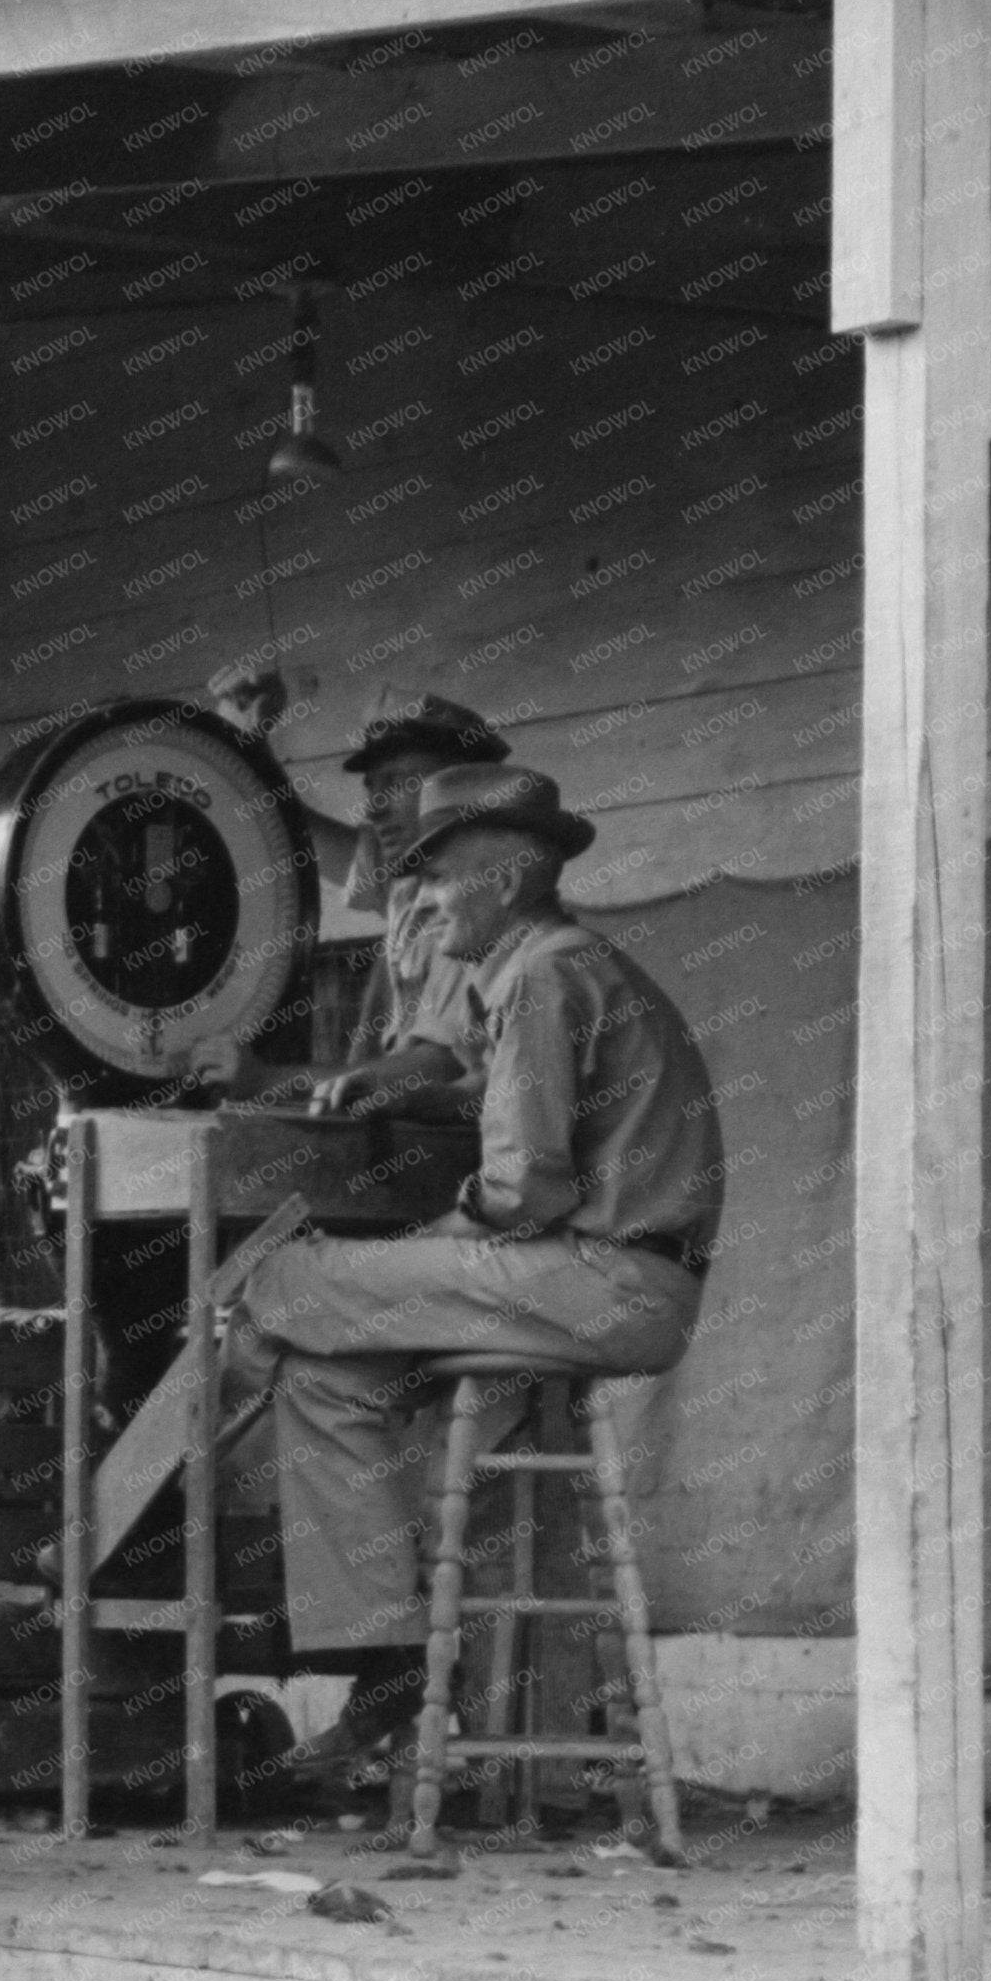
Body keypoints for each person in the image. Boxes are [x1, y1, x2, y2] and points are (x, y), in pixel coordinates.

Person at [228, 764, 725, 1788]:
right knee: (327, 1382)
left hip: (602, 1278)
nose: (425, 900)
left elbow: (522, 1193)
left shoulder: (541, 976)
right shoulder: (550, 968)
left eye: (441, 880)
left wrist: (431, 1242)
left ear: (498, 880)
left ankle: (165, 1513)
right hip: (601, 1273)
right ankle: (385, 1664)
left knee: (279, 1283)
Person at [190, 677, 513, 1116]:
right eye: (372, 787)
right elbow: (289, 825)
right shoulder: (409, 881)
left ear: (458, 789)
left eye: (397, 783)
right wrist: (247, 745)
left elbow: (434, 1068)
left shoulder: (471, 907)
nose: (374, 807)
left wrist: (266, 1081)